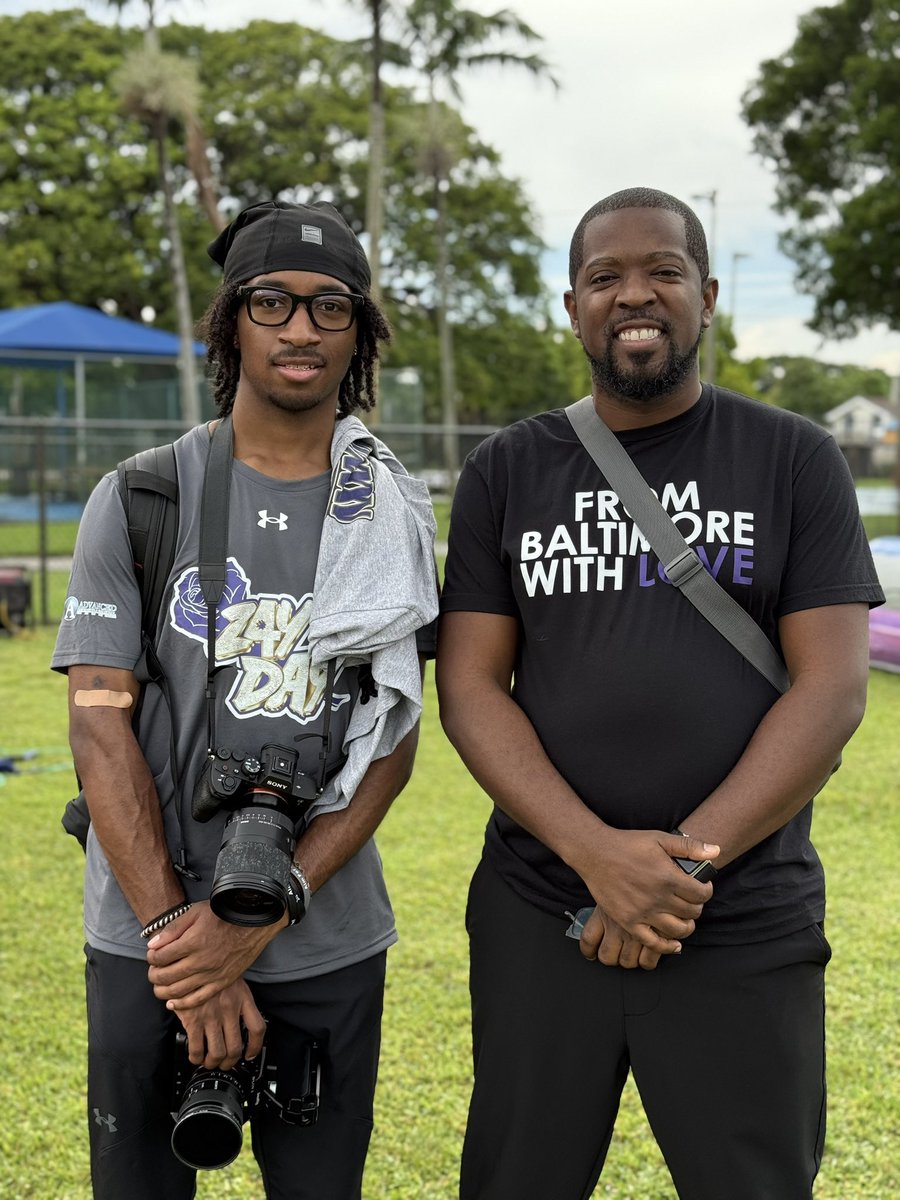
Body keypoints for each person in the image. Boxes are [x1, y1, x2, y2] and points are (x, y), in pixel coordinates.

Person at [436, 187, 884, 1200]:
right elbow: (470, 688)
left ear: (708, 295)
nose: (634, 296)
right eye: (606, 277)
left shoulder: (793, 458)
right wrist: (597, 858)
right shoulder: (509, 469)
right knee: (516, 1179)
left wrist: (673, 874)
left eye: (663, 272)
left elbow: (834, 689)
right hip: (543, 908)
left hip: (738, 912)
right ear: (573, 308)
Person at [52, 199, 439, 1199]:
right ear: (232, 321)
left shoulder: (389, 510)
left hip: (325, 931)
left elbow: (391, 741)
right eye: (272, 302)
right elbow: (99, 730)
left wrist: (259, 924)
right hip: (148, 929)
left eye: (330, 307)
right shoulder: (144, 496)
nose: (302, 328)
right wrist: (185, 944)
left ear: (358, 332)